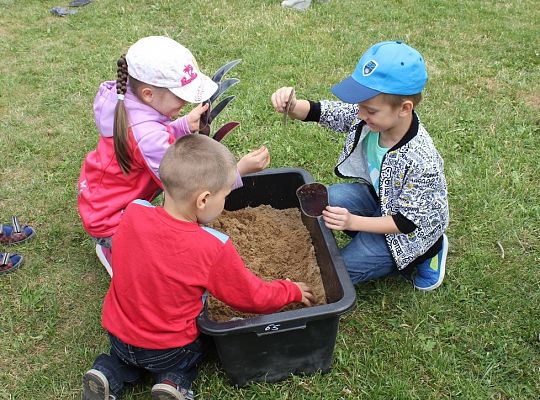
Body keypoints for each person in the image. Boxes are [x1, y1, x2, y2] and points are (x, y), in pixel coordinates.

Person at [82, 134, 314, 400]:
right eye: (226, 195)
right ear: (203, 200)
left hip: (119, 336)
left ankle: (107, 371)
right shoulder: (213, 247)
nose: (225, 201)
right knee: (202, 345)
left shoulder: (134, 212)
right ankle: (173, 382)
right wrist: (290, 290)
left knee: (125, 360)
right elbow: (253, 297)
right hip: (169, 348)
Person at [77, 36, 270, 276]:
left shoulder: (126, 103)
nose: (186, 102)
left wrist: (182, 126)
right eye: (180, 96)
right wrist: (238, 170)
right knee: (163, 262)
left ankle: (117, 246)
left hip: (103, 199)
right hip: (111, 219)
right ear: (149, 94)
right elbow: (186, 186)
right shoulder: (146, 136)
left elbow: (152, 133)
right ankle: (116, 251)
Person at [271, 41, 449, 291]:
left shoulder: (421, 160)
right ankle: (367, 234)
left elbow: (405, 222)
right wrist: (293, 106)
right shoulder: (370, 116)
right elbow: (328, 112)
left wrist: (352, 222)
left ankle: (428, 252)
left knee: (336, 274)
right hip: (380, 202)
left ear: (404, 108)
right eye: (360, 106)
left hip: (408, 234)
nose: (360, 113)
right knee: (325, 200)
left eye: (370, 110)